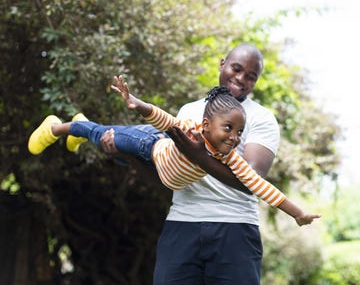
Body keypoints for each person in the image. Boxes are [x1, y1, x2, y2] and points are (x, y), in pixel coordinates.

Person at [99, 44, 307, 284]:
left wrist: (198, 155)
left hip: (235, 228)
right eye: (236, 69)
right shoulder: (189, 111)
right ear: (222, 64)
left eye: (251, 77)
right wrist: (126, 155)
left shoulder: (262, 118)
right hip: (182, 223)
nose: (241, 79)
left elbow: (252, 179)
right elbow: (168, 176)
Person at [28, 75, 320, 227]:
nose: (234, 137)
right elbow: (164, 119)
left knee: (115, 152)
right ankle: (62, 127)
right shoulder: (190, 129)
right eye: (228, 129)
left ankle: (82, 130)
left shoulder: (230, 157)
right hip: (149, 144)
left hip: (158, 168)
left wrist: (297, 213)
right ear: (206, 125)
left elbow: (260, 186)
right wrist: (136, 103)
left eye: (239, 132)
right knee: (105, 135)